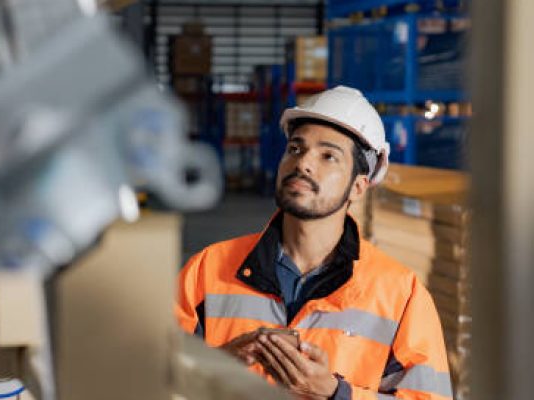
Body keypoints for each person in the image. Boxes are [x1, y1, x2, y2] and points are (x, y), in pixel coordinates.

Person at [175, 86, 453, 399]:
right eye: (295, 148)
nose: (303, 163)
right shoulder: (207, 270)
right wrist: (216, 366)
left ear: (358, 187)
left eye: (328, 156)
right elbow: (146, 378)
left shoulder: (401, 296)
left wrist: (337, 394)